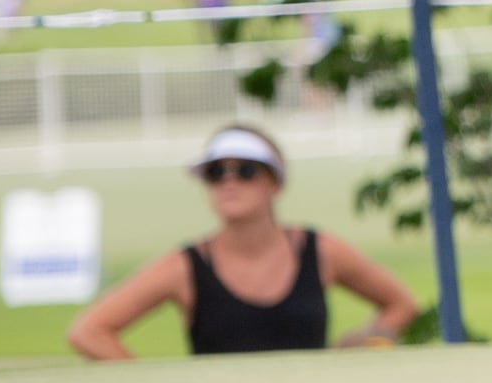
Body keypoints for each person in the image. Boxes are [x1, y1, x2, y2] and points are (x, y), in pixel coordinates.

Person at [67, 125, 417, 358]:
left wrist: (369, 339)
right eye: (216, 173)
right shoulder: (185, 267)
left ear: (274, 183)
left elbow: (401, 304)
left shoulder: (320, 250)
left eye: (246, 171)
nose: (229, 182)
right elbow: (89, 331)